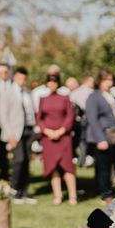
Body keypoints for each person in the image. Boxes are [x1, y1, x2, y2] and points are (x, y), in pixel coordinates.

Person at [0, 66, 38, 204]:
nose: (22, 81)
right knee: (18, 161)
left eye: (25, 78)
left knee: (26, 161)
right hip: (15, 132)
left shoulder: (27, 92)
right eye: (20, 78)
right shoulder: (7, 93)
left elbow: (31, 111)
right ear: (14, 77)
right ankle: (14, 190)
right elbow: (2, 115)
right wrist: (10, 134)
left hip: (29, 130)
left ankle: (24, 191)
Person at [36, 74, 77, 205]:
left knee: (67, 167)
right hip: (48, 139)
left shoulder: (65, 98)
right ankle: (58, 195)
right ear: (47, 83)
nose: (52, 84)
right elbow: (39, 118)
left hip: (63, 137)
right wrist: (47, 131)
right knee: (53, 167)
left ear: (58, 83)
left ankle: (72, 196)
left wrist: (61, 131)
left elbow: (70, 117)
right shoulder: (43, 99)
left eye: (54, 82)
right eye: (49, 82)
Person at [86, 69, 115, 203]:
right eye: (106, 80)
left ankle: (110, 189)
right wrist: (100, 139)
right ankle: (105, 193)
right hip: (103, 136)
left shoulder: (112, 95)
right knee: (103, 167)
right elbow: (92, 119)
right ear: (100, 81)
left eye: (110, 79)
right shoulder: (94, 97)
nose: (108, 82)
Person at [71, 75, 95, 167]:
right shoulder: (91, 92)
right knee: (84, 140)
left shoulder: (75, 92)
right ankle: (83, 160)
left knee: (80, 139)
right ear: (88, 81)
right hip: (87, 119)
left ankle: (81, 158)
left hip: (76, 121)